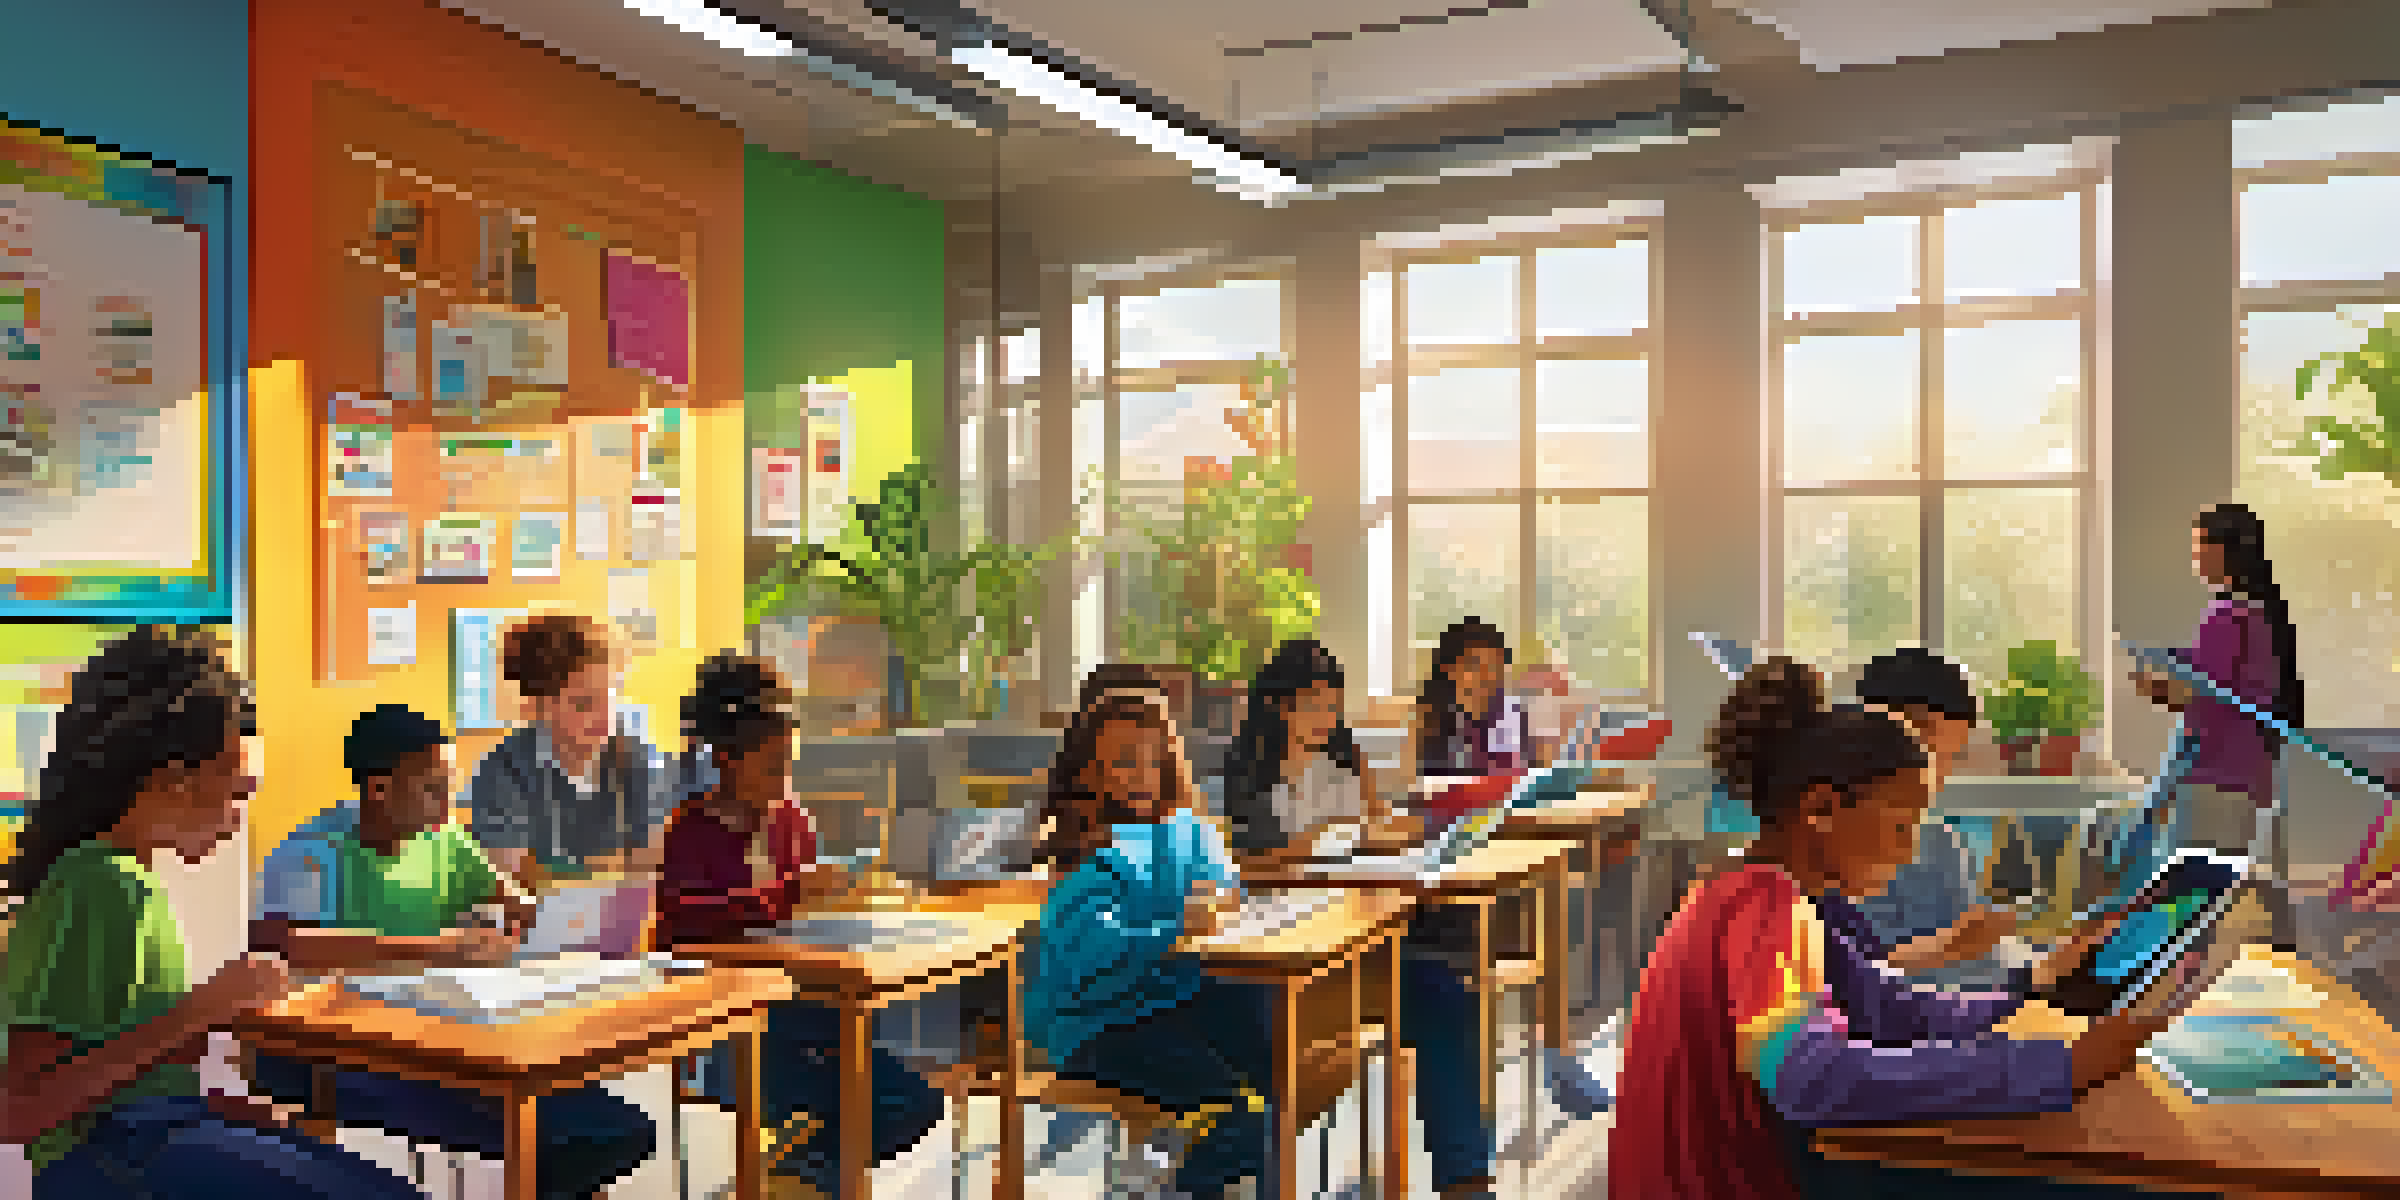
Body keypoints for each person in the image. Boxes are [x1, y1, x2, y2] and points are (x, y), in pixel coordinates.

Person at [1610, 657, 2184, 1200]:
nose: (1911, 849)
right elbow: (1809, 1077)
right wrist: (2061, 1067)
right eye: (1902, 823)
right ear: (1822, 810)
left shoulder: (1767, 891)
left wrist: (2023, 994)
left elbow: (1882, 1004)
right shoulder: (1764, 906)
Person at [0, 629, 422, 1199]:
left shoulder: (124, 880)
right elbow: (22, 1108)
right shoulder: (97, 888)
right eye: (237, 792)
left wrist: (214, 1100)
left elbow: (119, 1061)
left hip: (156, 1130)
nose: (237, 819)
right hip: (116, 1159)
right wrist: (205, 1008)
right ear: (174, 779)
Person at [246, 704, 658, 1200]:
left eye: (449, 785)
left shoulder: (442, 839)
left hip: (433, 1043)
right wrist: (441, 948)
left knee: (608, 1127)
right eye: (431, 789)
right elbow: (283, 947)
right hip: (331, 1060)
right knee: (583, 1132)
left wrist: (555, 919)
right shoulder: (310, 853)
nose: (447, 805)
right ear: (379, 789)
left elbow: (515, 903)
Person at [652, 652, 945, 1199]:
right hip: (735, 1026)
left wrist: (849, 896)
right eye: (769, 767)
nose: (782, 780)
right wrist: (789, 895)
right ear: (728, 761)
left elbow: (803, 909)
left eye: (788, 766)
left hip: (807, 1006)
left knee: (914, 1099)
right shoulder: (690, 832)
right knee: (884, 1098)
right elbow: (692, 923)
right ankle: (805, 1177)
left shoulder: (791, 820)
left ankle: (798, 1174)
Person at [1220, 639, 1498, 1199]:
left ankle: (1464, 1178)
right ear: (1280, 706)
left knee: (1445, 993)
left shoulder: (1347, 759)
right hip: (1289, 947)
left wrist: (1412, 834)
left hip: (1358, 935)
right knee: (1285, 1057)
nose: (1327, 718)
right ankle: (1255, 1170)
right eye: (1315, 704)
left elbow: (1379, 823)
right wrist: (1317, 842)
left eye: (1333, 705)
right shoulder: (1248, 770)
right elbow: (1244, 862)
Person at [1025, 686, 1273, 1200]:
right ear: (1088, 773)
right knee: (1241, 1120)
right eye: (1122, 762)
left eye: (1152, 761)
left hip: (1173, 1000)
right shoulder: (1086, 845)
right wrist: (1178, 925)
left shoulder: (1180, 829)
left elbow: (1226, 892)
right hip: (1096, 1023)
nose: (1140, 775)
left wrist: (1223, 898)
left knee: (1284, 1069)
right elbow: (1091, 950)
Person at [2134, 503, 2302, 863]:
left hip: (2215, 763)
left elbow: (2209, 695)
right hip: (2249, 760)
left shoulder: (2228, 614)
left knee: (2189, 870)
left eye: (2199, 547)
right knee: (2220, 868)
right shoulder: (2260, 610)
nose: (2194, 558)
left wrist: (2157, 689)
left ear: (2226, 550)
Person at [1851, 648, 2021, 985]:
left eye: (1950, 759)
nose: (1938, 777)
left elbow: (1976, 940)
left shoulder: (1938, 837)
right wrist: (1955, 947)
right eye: (1931, 757)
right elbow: (1852, 970)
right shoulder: (1841, 839)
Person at [467, 613, 672, 886]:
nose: (604, 716)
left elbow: (653, 867)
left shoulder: (638, 758)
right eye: (584, 703)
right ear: (538, 705)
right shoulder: (504, 770)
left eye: (611, 697)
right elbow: (513, 879)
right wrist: (613, 868)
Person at [1411, 617, 1535, 778]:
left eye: (1493, 666)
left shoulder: (1512, 713)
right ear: (1449, 668)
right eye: (1474, 665)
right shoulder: (1426, 719)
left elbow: (1526, 772)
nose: (1485, 676)